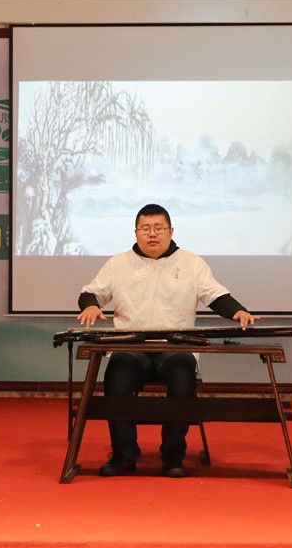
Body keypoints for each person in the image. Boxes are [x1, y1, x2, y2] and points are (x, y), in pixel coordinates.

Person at [77, 203, 259, 478]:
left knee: (183, 377)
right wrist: (90, 305)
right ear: (136, 232)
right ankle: (125, 455)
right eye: (145, 229)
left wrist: (238, 311)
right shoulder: (118, 264)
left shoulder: (191, 263)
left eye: (159, 228)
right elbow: (91, 292)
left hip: (175, 347)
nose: (152, 234)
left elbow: (215, 295)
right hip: (131, 346)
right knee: (117, 376)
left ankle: (173, 455)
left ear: (171, 231)